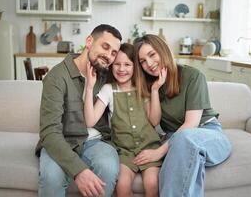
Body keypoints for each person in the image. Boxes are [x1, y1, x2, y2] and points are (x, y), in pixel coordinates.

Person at [133, 34, 231, 197]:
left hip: (207, 133)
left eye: (152, 55)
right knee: (184, 156)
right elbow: (154, 121)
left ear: (162, 51)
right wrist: (155, 90)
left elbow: (191, 124)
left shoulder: (192, 76)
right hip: (177, 140)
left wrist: (159, 152)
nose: (149, 64)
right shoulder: (150, 84)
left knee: (183, 140)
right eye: (142, 61)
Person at [35, 24, 122, 197]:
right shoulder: (57, 77)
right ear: (89, 41)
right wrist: (79, 170)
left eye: (114, 52)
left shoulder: (107, 74)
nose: (109, 56)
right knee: (51, 178)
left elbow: (134, 71)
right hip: (63, 141)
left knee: (108, 168)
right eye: (105, 46)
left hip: (96, 141)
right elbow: (49, 132)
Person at [84, 43, 167, 197]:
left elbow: (155, 121)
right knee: (122, 186)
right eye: (117, 64)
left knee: (152, 183)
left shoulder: (143, 88)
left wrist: (154, 90)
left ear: (135, 67)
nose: (122, 69)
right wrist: (89, 88)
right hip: (123, 152)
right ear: (111, 66)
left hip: (149, 148)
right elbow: (90, 121)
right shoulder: (108, 89)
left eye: (127, 64)